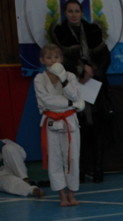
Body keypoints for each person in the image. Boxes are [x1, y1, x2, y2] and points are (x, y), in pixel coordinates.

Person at [50, 0, 112, 183]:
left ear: (82, 13)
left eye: (77, 11)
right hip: (72, 86)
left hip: (95, 86)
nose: (74, 14)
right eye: (70, 11)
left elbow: (105, 57)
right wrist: (79, 71)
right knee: (78, 129)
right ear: (65, 13)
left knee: (98, 128)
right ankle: (81, 170)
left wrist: (93, 70)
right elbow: (59, 61)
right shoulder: (60, 33)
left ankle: (98, 170)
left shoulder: (93, 31)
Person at [33, 44, 85, 206]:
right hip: (51, 122)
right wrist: (70, 103)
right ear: (42, 60)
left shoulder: (69, 76)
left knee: (73, 158)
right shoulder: (39, 79)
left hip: (70, 122)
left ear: (61, 59)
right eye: (48, 58)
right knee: (55, 159)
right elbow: (46, 101)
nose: (52, 60)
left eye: (56, 57)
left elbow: (75, 95)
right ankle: (62, 196)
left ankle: (72, 194)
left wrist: (63, 79)